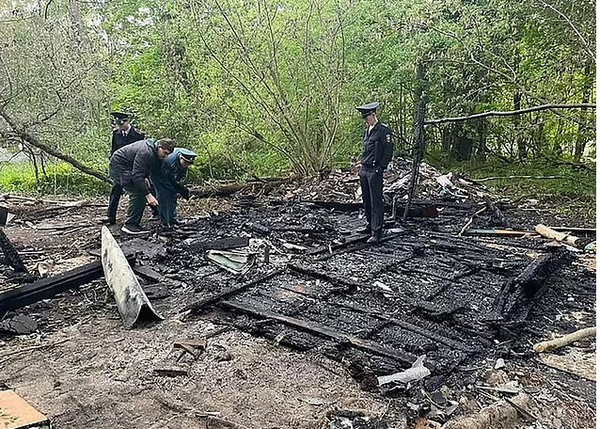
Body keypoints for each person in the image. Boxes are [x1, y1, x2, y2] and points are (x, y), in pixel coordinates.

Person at [109, 138, 175, 235]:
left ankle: (157, 215)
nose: (165, 156)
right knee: (139, 193)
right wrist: (148, 195)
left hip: (132, 167)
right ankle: (130, 225)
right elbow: (137, 176)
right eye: (164, 153)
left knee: (148, 187)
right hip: (119, 167)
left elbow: (157, 173)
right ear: (159, 147)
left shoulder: (156, 154)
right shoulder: (146, 153)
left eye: (168, 154)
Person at [356, 102, 393, 244]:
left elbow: (388, 151)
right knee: (366, 200)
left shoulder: (384, 131)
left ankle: (377, 232)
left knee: (376, 201)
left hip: (375, 169)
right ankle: (370, 224)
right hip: (365, 169)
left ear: (373, 115)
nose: (366, 120)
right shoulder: (368, 130)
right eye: (364, 118)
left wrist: (381, 167)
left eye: (367, 117)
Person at [104, 112, 146, 225]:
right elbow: (114, 151)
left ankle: (155, 211)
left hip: (135, 166)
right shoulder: (116, 134)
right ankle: (110, 216)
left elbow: (142, 151)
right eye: (118, 123)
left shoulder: (138, 134)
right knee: (115, 189)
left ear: (128, 121)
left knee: (144, 188)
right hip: (121, 167)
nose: (121, 125)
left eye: (122, 122)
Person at [150, 148, 197, 231]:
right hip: (157, 175)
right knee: (164, 196)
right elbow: (164, 178)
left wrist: (180, 190)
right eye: (185, 162)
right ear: (180, 158)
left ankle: (172, 220)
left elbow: (177, 179)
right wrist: (172, 188)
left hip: (168, 176)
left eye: (189, 163)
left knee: (173, 195)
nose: (186, 165)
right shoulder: (168, 161)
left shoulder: (183, 166)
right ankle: (165, 222)